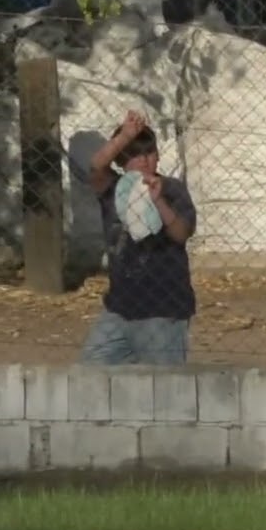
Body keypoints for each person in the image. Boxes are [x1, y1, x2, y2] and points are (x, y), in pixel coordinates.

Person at [81, 110, 197, 365]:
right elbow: (96, 166)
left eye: (149, 153)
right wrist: (125, 136)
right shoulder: (114, 189)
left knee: (164, 387)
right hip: (119, 310)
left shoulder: (172, 189)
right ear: (122, 162)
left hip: (163, 311)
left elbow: (180, 234)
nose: (143, 161)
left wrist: (159, 203)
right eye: (133, 156)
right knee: (89, 373)